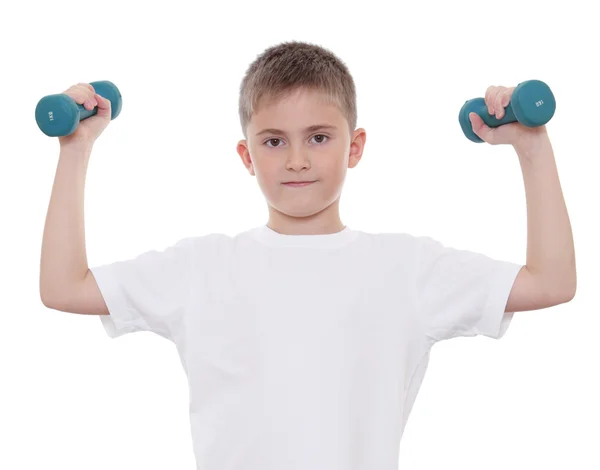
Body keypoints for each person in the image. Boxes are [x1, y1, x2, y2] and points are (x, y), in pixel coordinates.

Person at [40, 40, 576, 470]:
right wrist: (76, 149)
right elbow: (64, 288)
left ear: (355, 147)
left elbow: (551, 282)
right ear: (247, 156)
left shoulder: (406, 269)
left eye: (318, 137)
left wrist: (532, 147)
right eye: (274, 142)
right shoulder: (199, 269)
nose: (297, 160)